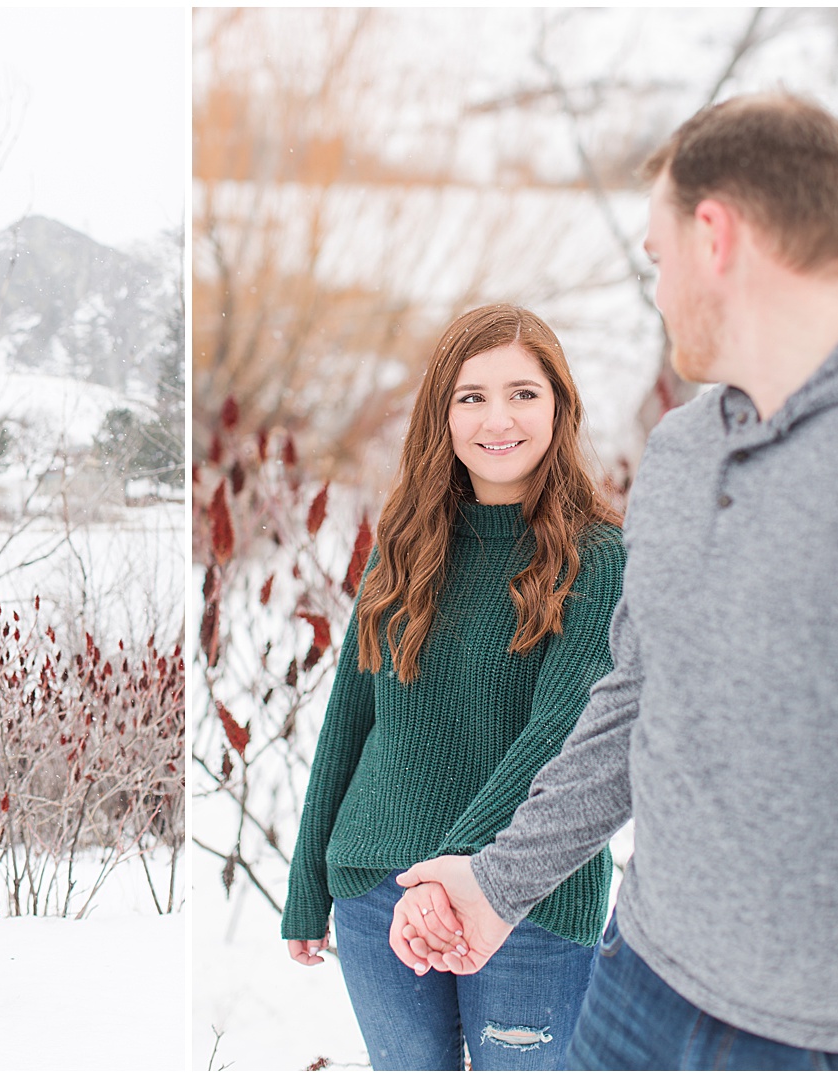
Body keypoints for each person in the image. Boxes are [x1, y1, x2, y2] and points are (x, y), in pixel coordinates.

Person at [392, 93, 838, 1070]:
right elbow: (634, 696)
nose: (658, 292)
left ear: (714, 236)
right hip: (642, 983)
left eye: (656, 259)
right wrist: (498, 886)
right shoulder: (680, 451)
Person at [282, 303, 627, 1069]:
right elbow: (351, 720)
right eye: (471, 396)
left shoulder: (599, 561)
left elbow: (562, 740)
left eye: (523, 393)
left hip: (529, 898)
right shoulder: (404, 547)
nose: (496, 418)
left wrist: (460, 882)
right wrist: (308, 879)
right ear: (442, 413)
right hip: (378, 885)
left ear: (560, 407)